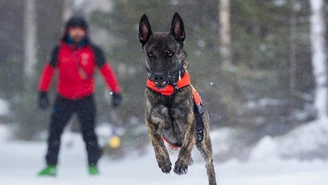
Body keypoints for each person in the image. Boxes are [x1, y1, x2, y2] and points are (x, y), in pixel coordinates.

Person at [37, 16, 123, 176]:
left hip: (86, 98)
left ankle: (93, 166)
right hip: (63, 98)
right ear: (68, 31)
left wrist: (115, 92)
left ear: (85, 32)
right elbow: (48, 72)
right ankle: (50, 166)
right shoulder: (59, 50)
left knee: (89, 134)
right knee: (54, 133)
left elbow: (106, 72)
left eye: (80, 29)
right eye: (73, 29)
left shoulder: (94, 51)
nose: (77, 32)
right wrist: (42, 92)